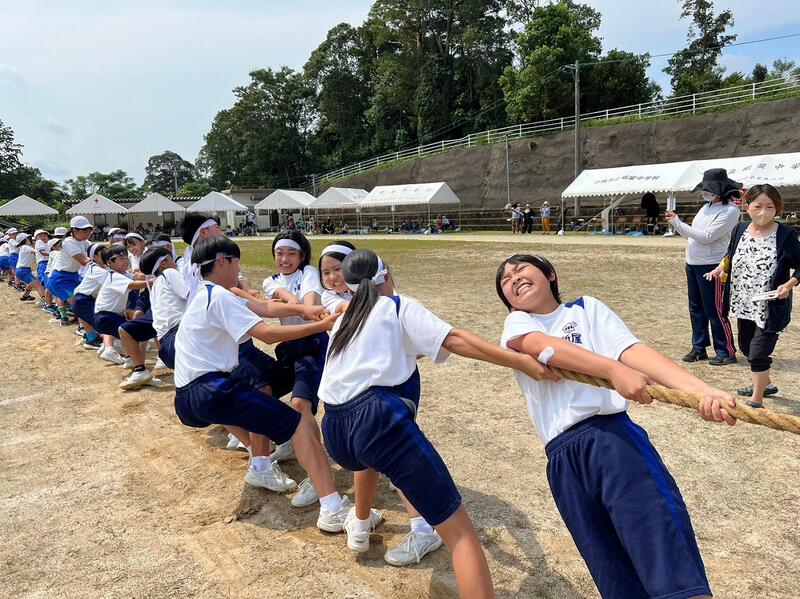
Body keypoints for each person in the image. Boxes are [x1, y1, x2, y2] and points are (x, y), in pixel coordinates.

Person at [496, 253, 737, 599]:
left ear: (550, 274)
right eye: (505, 281)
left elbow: (632, 352)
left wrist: (701, 390)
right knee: (616, 579)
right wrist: (612, 370)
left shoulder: (585, 310)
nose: (514, 278)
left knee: (671, 569)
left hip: (613, 442)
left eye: (521, 269)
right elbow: (539, 346)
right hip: (563, 464)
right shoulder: (518, 324)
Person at [319, 249, 554, 596]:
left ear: (349, 287)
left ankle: (361, 523)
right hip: (376, 420)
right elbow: (456, 340)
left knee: (375, 456)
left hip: (334, 431)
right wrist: (519, 361)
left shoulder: (344, 320)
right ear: (387, 274)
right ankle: (415, 529)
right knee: (461, 535)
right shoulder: (397, 305)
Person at [173, 235, 355, 531]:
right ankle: (333, 507)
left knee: (261, 391)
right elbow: (267, 334)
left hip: (187, 398)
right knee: (299, 422)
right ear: (223, 261)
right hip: (212, 388)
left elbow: (266, 308)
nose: (238, 271)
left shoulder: (205, 294)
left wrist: (303, 310)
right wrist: (320, 325)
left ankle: (260, 462)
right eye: (237, 263)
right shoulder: (219, 296)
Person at [705, 184, 800, 408]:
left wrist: (788, 285)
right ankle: (765, 383)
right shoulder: (740, 229)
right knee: (747, 348)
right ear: (747, 207)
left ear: (777, 209)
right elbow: (731, 254)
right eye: (758, 206)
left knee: (758, 353)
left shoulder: (785, 235)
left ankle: (756, 400)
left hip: (771, 304)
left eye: (770, 207)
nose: (763, 211)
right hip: (743, 301)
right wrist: (720, 268)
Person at [666, 168, 741, 366]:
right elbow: (692, 234)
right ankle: (699, 347)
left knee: (715, 309)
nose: (706, 193)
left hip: (713, 265)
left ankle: (725, 350)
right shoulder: (705, 208)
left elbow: (707, 237)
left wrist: (679, 223)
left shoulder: (730, 210)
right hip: (693, 263)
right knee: (696, 308)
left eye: (710, 190)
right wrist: (677, 225)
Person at [93, 245, 149, 365]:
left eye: (126, 258)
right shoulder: (114, 276)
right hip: (106, 316)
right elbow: (133, 285)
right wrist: (153, 282)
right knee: (132, 332)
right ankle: (136, 365)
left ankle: (127, 358)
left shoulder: (123, 274)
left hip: (110, 315)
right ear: (110, 262)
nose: (126, 261)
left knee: (129, 333)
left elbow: (137, 277)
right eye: (121, 258)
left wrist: (152, 274)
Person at [48, 216, 93, 326]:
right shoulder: (68, 242)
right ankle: (84, 329)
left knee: (86, 299)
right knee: (80, 304)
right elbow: (83, 261)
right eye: (84, 231)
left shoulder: (85, 242)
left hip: (74, 276)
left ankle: (74, 317)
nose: (87, 234)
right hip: (60, 279)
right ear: (74, 230)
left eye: (89, 231)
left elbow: (95, 251)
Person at [70, 243, 107, 350]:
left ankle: (91, 336)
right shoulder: (97, 270)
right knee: (101, 322)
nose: (107, 256)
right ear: (94, 257)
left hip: (83, 299)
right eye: (103, 254)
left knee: (88, 318)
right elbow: (114, 279)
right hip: (82, 300)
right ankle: (91, 340)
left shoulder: (98, 267)